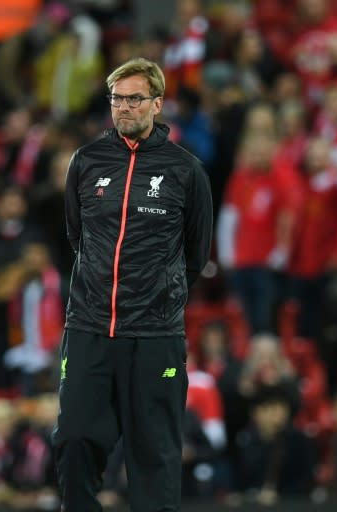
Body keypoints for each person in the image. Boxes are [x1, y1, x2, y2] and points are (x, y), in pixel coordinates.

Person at [51, 57, 213, 511]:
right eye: (117, 99)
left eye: (134, 99)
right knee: (74, 437)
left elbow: (196, 255)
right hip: (89, 326)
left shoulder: (186, 171)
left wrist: (159, 294)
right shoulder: (86, 162)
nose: (123, 107)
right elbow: (76, 235)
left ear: (157, 103)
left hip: (154, 335)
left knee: (154, 457)